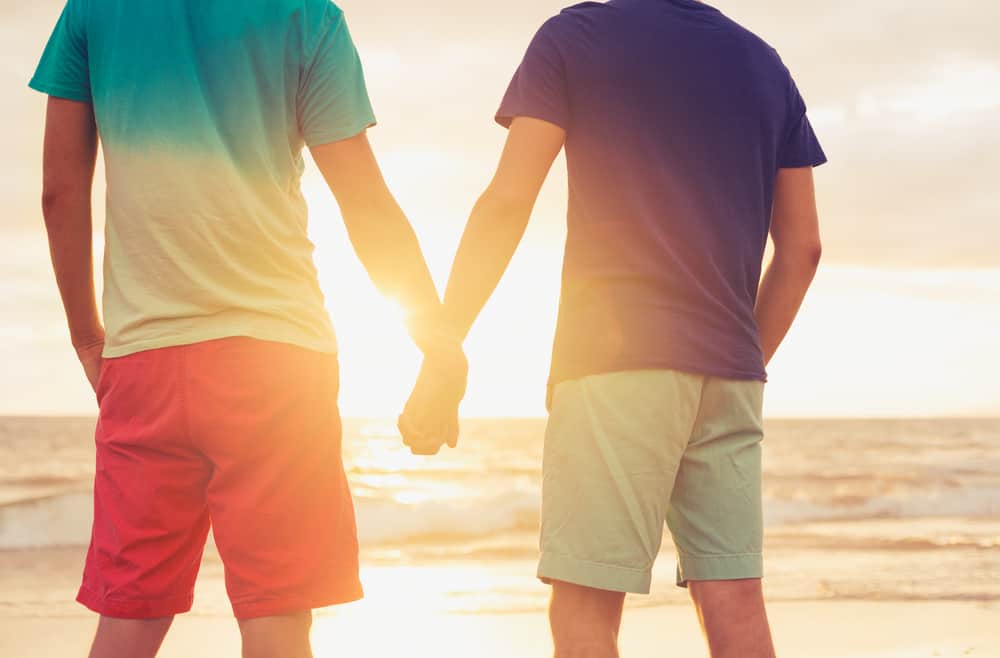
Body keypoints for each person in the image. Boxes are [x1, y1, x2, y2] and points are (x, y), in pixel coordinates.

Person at [31, 1, 464, 656]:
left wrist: (87, 337)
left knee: (130, 613)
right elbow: (364, 200)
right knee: (276, 611)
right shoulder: (306, 16)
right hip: (277, 357)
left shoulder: (92, 8)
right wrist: (437, 345)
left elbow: (60, 189)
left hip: (145, 355)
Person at [400, 1, 826, 656]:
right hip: (732, 371)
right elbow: (802, 252)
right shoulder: (763, 63)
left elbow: (508, 201)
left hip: (615, 361)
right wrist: (740, 356)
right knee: (735, 602)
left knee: (585, 604)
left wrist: (442, 343)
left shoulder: (576, 36)